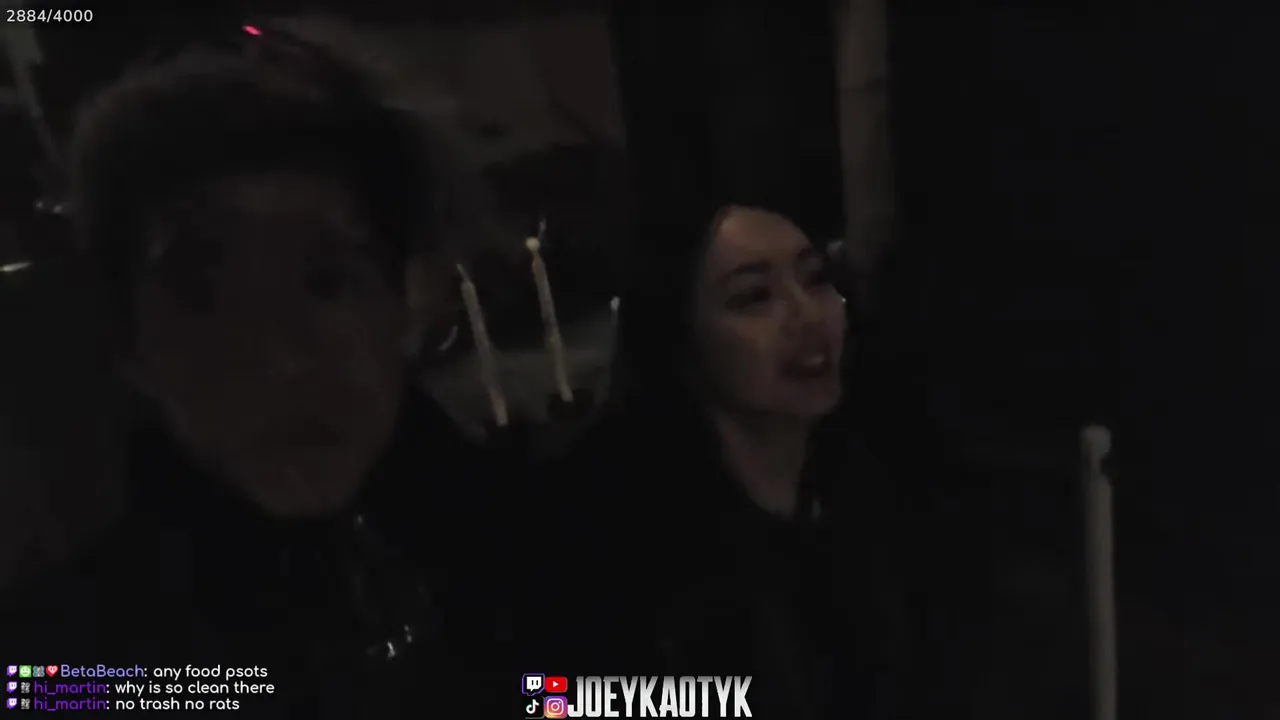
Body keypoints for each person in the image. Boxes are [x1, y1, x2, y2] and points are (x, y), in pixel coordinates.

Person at [0, 25, 522, 718]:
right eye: (200, 296)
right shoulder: (60, 672)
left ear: (411, 300)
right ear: (129, 344)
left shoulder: (560, 565)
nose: (277, 359)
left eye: (324, 282)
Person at [545, 200, 917, 719]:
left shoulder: (873, 475)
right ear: (680, 336)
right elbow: (549, 699)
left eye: (815, 279)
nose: (809, 315)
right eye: (754, 297)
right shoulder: (608, 527)